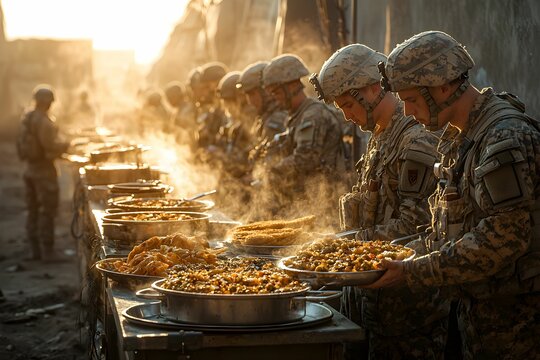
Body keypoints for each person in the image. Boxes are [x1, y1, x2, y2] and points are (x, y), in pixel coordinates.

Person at [371, 30, 540, 359]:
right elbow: (445, 232)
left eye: (413, 99)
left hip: (518, 326)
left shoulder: (502, 138)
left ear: (443, 86)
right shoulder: (457, 140)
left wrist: (414, 271)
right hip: (478, 320)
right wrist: (388, 256)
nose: (406, 111)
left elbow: (501, 240)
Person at [311, 44, 449, 359]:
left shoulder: (416, 139)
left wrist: (340, 248)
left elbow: (412, 229)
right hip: (370, 304)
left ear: (374, 88)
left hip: (406, 312)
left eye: (349, 104)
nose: (347, 116)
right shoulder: (380, 136)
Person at [262, 54, 345, 220]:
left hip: (323, 202)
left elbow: (305, 159)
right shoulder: (297, 115)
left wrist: (274, 169)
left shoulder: (312, 115)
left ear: (291, 87)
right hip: (307, 198)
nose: (275, 99)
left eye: (277, 92)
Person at [16, 85, 70, 261]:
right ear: (48, 103)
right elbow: (50, 146)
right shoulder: (44, 122)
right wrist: (65, 145)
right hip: (44, 172)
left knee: (33, 210)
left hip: (29, 170)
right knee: (47, 211)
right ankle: (48, 252)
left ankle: (35, 251)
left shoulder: (28, 117)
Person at [237, 61, 287, 161]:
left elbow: (270, 163)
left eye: (252, 94)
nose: (249, 101)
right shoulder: (263, 118)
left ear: (266, 92)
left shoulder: (276, 120)